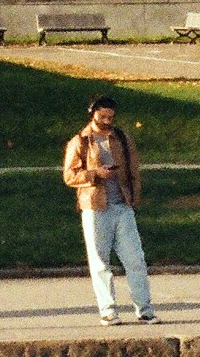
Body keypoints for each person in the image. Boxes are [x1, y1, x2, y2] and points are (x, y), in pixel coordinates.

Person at [63, 95, 156, 325]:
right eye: (102, 116)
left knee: (135, 259)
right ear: (92, 113)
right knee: (100, 261)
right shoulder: (80, 141)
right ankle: (108, 309)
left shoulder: (122, 138)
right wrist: (95, 174)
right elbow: (69, 176)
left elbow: (134, 169)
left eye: (110, 117)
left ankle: (144, 309)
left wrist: (133, 197)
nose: (106, 121)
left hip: (122, 206)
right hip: (95, 207)